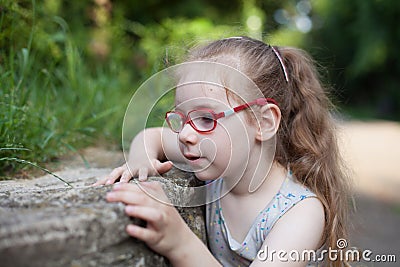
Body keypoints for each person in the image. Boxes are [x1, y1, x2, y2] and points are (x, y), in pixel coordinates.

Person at [94, 36, 350, 266]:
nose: (184, 134)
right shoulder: (216, 160)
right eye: (182, 118)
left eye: (206, 118)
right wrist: (143, 159)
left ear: (264, 122)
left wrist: (179, 243)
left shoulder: (299, 213)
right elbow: (152, 137)